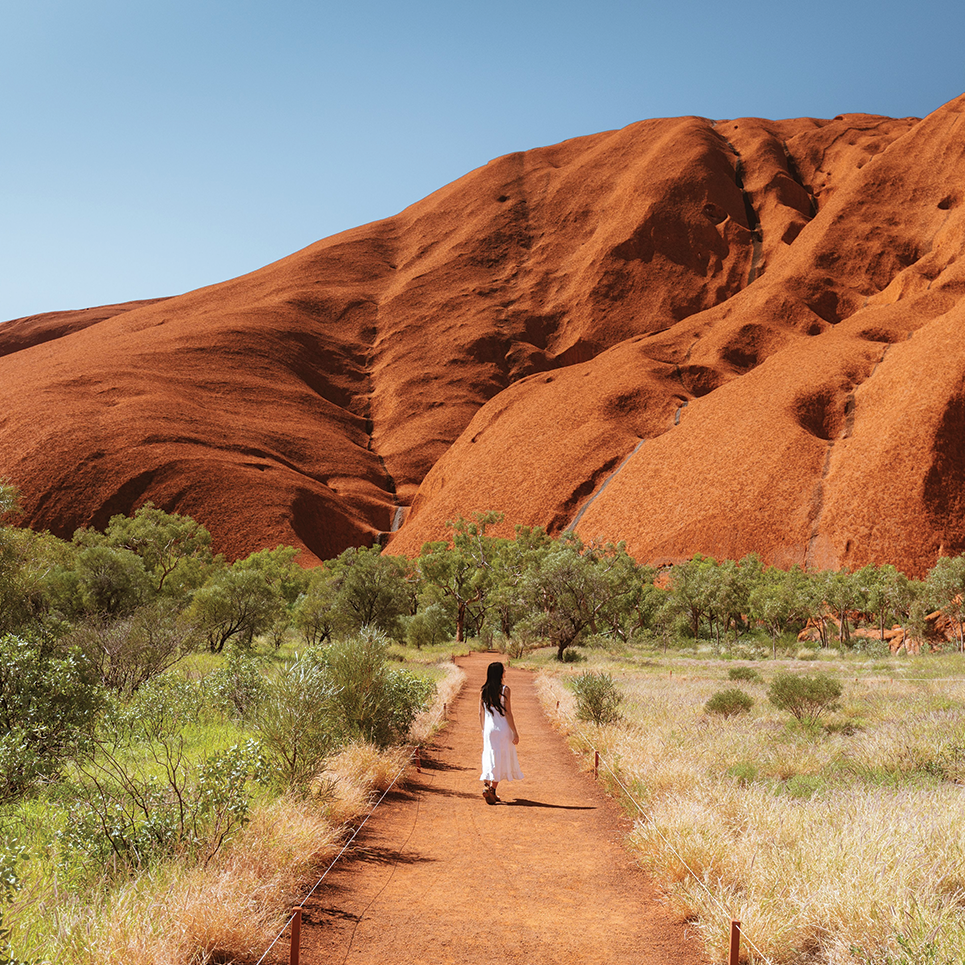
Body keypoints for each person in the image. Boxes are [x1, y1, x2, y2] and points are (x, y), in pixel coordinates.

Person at [479, 661, 523, 804]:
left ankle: (490, 789)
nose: (505, 671)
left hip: (489, 729)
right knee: (500, 759)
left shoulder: (483, 690)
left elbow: (480, 713)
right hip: (503, 728)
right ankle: (491, 790)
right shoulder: (505, 690)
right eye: (504, 670)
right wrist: (515, 732)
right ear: (499, 674)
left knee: (490, 756)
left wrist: (483, 730)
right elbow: (508, 713)